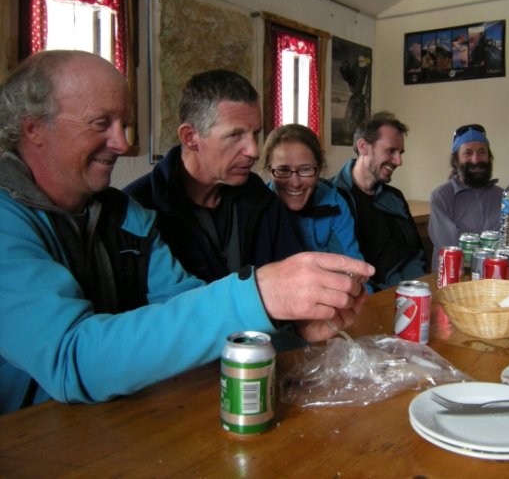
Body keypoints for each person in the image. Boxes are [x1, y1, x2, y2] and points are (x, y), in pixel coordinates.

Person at [0, 50, 374, 415]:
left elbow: (186, 305)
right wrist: (260, 294)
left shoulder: (127, 216)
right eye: (101, 123)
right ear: (34, 128)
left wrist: (288, 330)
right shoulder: (9, 222)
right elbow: (71, 359)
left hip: (125, 423)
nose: (122, 143)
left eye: (124, 124)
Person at [124, 69, 303, 283]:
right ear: (190, 137)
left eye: (255, 134)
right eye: (235, 135)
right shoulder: (138, 211)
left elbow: (295, 275)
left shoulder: (259, 197)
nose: (254, 151)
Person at [331, 111, 426, 291]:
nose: (399, 161)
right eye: (391, 151)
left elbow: (415, 252)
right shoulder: (333, 197)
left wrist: (416, 288)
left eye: (400, 153)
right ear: (363, 147)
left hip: (406, 294)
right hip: (364, 299)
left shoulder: (395, 197)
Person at [260, 123, 367, 265]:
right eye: (283, 170)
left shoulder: (335, 203)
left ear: (319, 169)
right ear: (269, 170)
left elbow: (353, 265)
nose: (295, 183)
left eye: (305, 169)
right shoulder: (258, 210)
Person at [427, 124, 502, 271]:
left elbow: (506, 246)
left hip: (493, 280)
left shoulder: (503, 197)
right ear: (456, 161)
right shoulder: (441, 197)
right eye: (467, 153)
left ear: (490, 157)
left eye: (482, 152)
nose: (476, 160)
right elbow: (450, 247)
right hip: (452, 281)